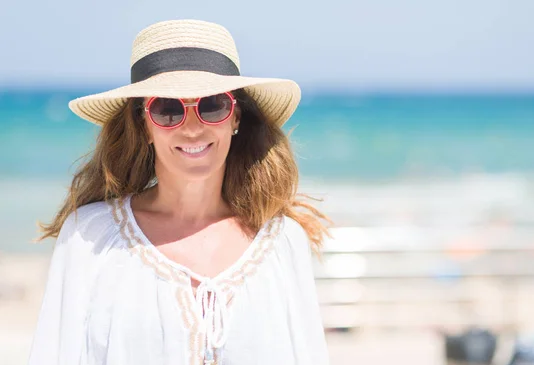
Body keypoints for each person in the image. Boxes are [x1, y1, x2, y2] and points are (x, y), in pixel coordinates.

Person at [28, 19, 332, 365]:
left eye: (212, 105)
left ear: (236, 118)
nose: (192, 128)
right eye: (168, 109)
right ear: (143, 124)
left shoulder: (282, 242)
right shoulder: (90, 238)